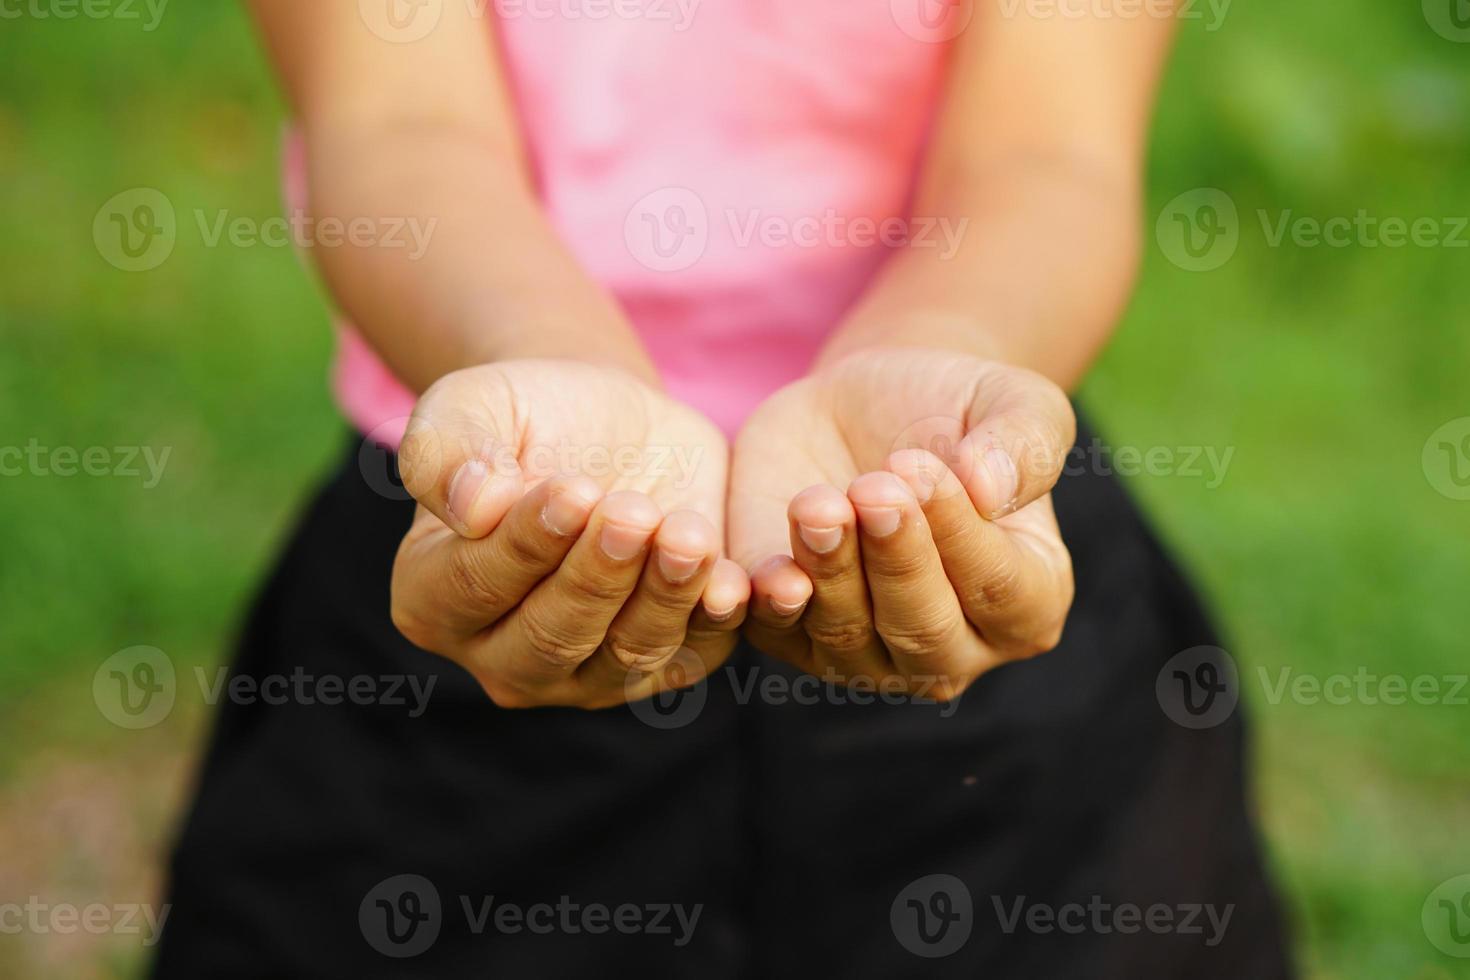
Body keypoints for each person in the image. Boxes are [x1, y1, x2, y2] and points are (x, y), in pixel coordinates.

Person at [154, 1, 1292, 975]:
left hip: (948, 520)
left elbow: (1048, 158)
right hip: (495, 526)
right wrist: (550, 362)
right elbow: (397, 125)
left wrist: (945, 361)